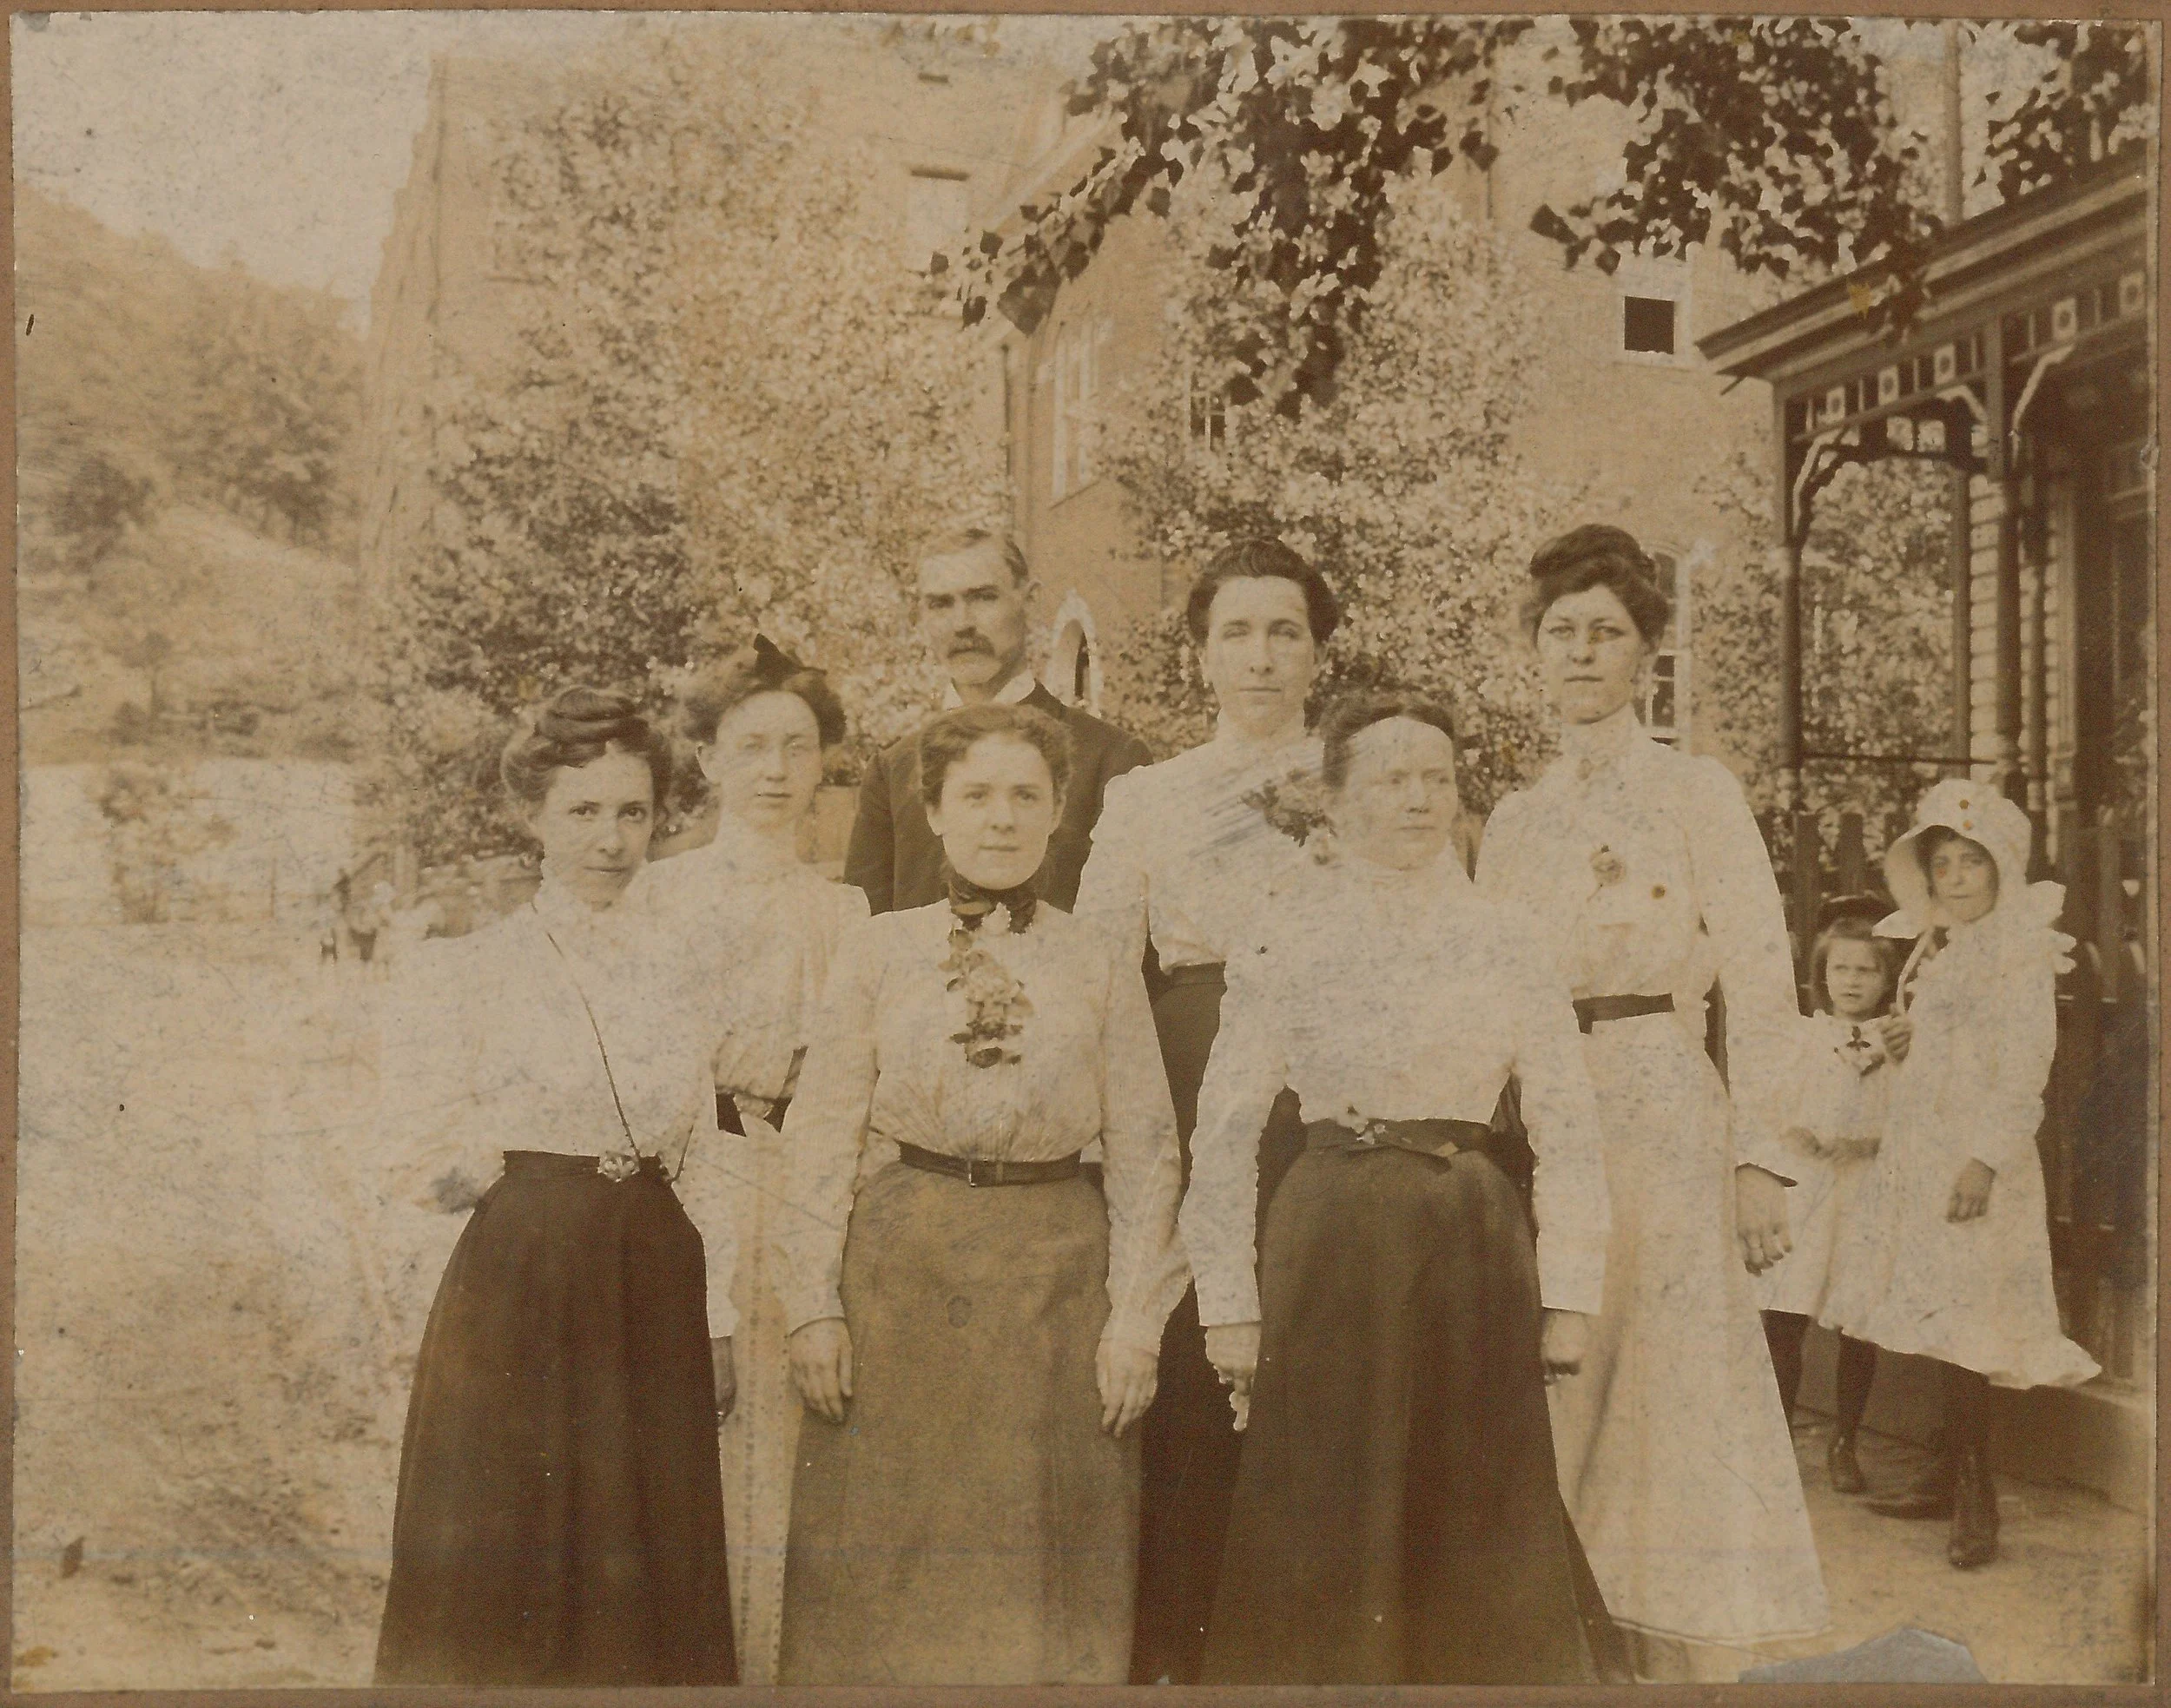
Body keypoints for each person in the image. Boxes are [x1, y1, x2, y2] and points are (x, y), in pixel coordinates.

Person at [1185, 691, 1613, 1684]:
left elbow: (1564, 1122)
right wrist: (1228, 1305)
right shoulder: (1282, 927)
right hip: (1330, 1231)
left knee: (1477, 1503)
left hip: (1472, 1233)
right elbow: (1225, 1128)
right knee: (1324, 1501)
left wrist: (1571, 1294)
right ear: (1333, 800)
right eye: (1389, 778)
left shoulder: (1509, 934)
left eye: (1436, 777)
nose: (1419, 799)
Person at [775, 702, 1186, 1685]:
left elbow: (1145, 1146)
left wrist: (1133, 1321)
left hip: (1055, 1282)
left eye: (1025, 796)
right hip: (902, 1276)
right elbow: (822, 1131)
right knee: (889, 1551)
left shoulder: (1095, 957)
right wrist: (811, 1308)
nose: (1000, 818)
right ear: (932, 811)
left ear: (1058, 816)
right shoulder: (877, 950)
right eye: (975, 795)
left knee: (1042, 1557)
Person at [1476, 524, 1827, 1676]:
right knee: (1555, 1360)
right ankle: (1566, 1638)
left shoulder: (1696, 788)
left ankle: (1671, 1649)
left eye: (1607, 633)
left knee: (1665, 1375)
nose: (1581, 653)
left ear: (1645, 655)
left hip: (1663, 1101)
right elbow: (1480, 983)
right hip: (1542, 1116)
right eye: (1561, 632)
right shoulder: (1516, 818)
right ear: (1535, 650)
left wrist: (1763, 1154)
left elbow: (1766, 973)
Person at [373, 686, 738, 1687]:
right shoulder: (470, 969)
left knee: (647, 1548)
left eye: (632, 812)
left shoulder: (686, 963)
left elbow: (704, 1148)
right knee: (518, 1551)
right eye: (583, 811)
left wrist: (722, 1314)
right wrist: (503, 1166)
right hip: (521, 1286)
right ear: (529, 814)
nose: (612, 839)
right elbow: (410, 1153)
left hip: (654, 1279)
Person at [1072, 535, 1336, 1684]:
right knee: (1191, 1359)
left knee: (1314, 1344)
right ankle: (1181, 1644)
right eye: (1237, 631)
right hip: (1181, 1074)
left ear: (1321, 653)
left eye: (1286, 630)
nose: (1262, 655)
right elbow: (1095, 968)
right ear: (1200, 656)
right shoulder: (1146, 796)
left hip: (1326, 1087)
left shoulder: (1366, 777)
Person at [627, 636, 866, 1682]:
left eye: (797, 747)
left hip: (805, 1181)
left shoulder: (845, 909)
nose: (774, 770)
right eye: (751, 745)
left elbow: (847, 1087)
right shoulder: (659, 896)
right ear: (710, 758)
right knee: (694, 1431)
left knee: (793, 1447)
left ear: (824, 765)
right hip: (684, 1182)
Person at [1831, 780, 2097, 1568]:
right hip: (1925, 1147)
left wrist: (1984, 1159)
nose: (1954, 877)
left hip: (1979, 1159)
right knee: (1942, 1316)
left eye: (1970, 862)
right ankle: (1947, 1472)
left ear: (2001, 870)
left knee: (1973, 1316)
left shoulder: (2019, 954)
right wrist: (1916, 1041)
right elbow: (1948, 1043)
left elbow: (2023, 1069)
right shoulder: (1941, 952)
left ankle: (1977, 1493)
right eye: (1941, 863)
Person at [844, 527, 1149, 913]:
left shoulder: (1111, 759)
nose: (962, 624)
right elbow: (864, 939)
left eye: (983, 598)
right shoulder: (892, 772)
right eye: (940, 604)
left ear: (1031, 601)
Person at [1755, 895, 1899, 1494]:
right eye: (1840, 968)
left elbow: (1913, 1113)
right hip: (1808, 1184)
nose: (1851, 981)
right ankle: (1776, 1437)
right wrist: (1798, 1131)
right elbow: (1771, 1104)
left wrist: (1870, 1143)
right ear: (1822, 973)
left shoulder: (1897, 1041)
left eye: (1865, 969)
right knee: (1785, 1316)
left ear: (1886, 978)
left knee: (1854, 1320)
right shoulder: (1804, 1037)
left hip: (1864, 1189)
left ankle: (1845, 1440)